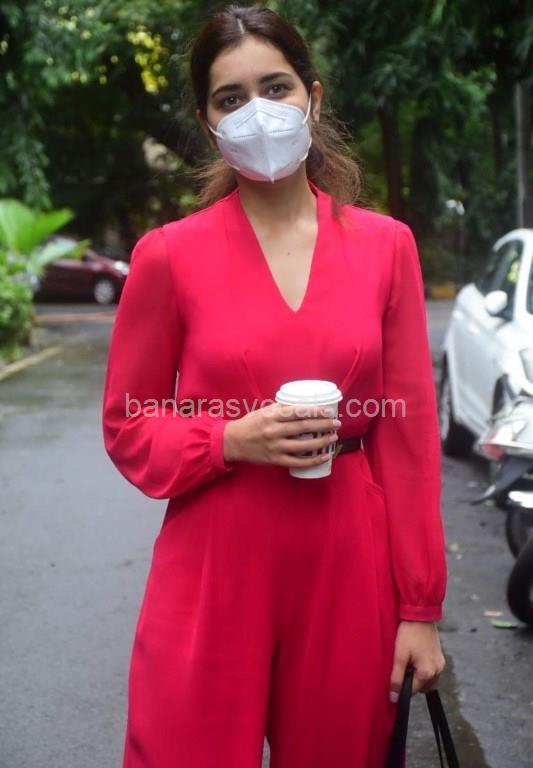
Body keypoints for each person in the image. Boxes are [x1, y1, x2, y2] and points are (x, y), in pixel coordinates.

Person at [101, 4, 448, 767]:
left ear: (311, 98)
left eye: (275, 87)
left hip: (345, 559)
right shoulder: (169, 256)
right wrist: (227, 438)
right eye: (230, 98)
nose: (257, 112)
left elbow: (408, 438)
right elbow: (129, 421)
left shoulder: (385, 247)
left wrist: (418, 606)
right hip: (213, 558)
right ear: (208, 124)